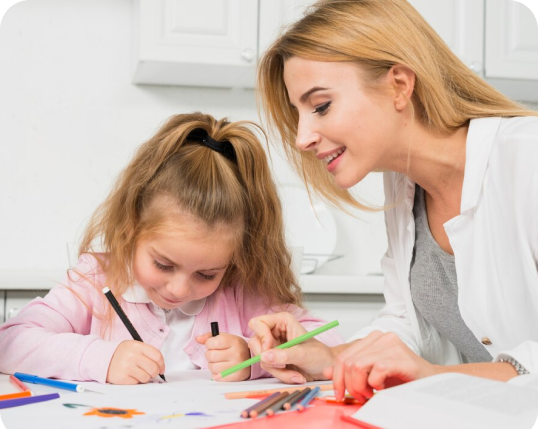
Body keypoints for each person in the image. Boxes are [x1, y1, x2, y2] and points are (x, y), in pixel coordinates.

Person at [249, 0, 538, 403]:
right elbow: (409, 323)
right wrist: (329, 358)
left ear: (399, 85)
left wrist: (435, 378)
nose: (302, 138)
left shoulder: (527, 160)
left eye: (320, 106)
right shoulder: (404, 187)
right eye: (299, 114)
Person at [0, 112, 343, 385]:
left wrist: (254, 359)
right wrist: (100, 358)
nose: (180, 289)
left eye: (207, 273)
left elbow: (332, 346)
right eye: (163, 264)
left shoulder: (240, 292)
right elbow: (10, 343)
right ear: (131, 227)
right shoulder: (94, 280)